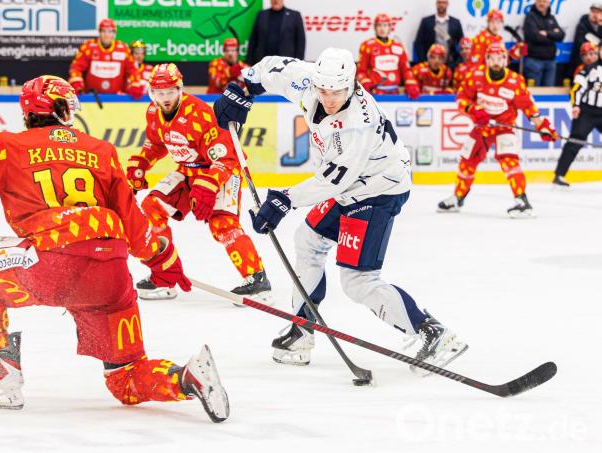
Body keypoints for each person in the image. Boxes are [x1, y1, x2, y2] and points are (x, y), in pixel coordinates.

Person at [0, 75, 229, 422]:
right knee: (125, 378)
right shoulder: (101, 151)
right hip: (110, 272)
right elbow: (135, 225)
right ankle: (188, 378)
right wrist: (161, 259)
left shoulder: (11, 146)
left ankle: (4, 371)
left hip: (51, 264)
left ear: (28, 112)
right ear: (61, 110)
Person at [213, 48, 468, 371]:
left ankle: (434, 334)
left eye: (337, 92)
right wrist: (242, 89)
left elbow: (334, 180)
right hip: (347, 186)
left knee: (358, 281)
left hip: (378, 189)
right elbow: (270, 67)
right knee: (307, 240)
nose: (329, 99)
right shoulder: (308, 82)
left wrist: (283, 200)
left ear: (351, 84)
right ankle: (303, 328)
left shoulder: (358, 124)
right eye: (323, 91)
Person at [126, 63, 270, 301]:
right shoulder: (153, 112)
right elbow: (156, 143)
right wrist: (141, 163)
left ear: (180, 89)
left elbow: (226, 156)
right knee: (153, 207)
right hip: (189, 170)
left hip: (223, 170)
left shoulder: (200, 113)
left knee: (222, 223)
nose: (165, 98)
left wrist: (210, 184)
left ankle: (257, 278)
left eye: (170, 91)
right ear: (152, 93)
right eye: (159, 93)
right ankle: (164, 273)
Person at [437, 43, 558, 217]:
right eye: (491, 58)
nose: (495, 62)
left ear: (505, 60)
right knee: (467, 160)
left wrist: (543, 126)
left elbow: (529, 107)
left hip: (504, 128)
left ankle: (522, 201)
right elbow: (461, 99)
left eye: (500, 58)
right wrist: (473, 109)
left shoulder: (515, 81)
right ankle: (458, 197)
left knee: (509, 161)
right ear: (486, 60)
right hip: (482, 127)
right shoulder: (475, 77)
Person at [555, 49, 602, 188]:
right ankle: (559, 175)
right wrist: (575, 105)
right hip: (586, 111)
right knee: (575, 142)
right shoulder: (588, 69)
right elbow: (575, 89)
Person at [68, 19, 144, 98]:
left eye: (110, 32)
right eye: (104, 31)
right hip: (92, 98)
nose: (107, 35)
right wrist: (76, 81)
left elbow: (133, 70)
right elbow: (76, 67)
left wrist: (135, 84)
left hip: (117, 98)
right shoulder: (88, 46)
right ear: (99, 32)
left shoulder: (123, 49)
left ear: (114, 33)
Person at [356, 13, 421, 99]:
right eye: (379, 25)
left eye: (385, 25)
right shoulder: (367, 45)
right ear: (375, 28)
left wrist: (411, 83)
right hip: (375, 93)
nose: (382, 28)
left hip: (396, 92)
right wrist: (365, 83)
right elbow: (361, 71)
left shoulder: (398, 46)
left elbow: (406, 69)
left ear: (390, 27)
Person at [246, 0, 305, 66]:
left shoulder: (295, 16)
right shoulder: (261, 15)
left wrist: (299, 63)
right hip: (263, 62)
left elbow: (300, 41)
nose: (275, 0)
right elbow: (253, 40)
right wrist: (249, 62)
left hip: (286, 63)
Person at [523, 0, 565, 87]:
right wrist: (553, 35)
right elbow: (535, 37)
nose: (541, 4)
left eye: (544, 1)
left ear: (549, 3)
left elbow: (561, 35)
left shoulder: (551, 18)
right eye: (539, 1)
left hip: (550, 61)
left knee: (549, 95)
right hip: (534, 61)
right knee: (534, 94)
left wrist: (547, 33)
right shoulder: (530, 17)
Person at [412, 0, 464, 68]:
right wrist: (424, 62)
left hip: (450, 64)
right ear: (436, 4)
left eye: (444, 2)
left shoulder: (456, 23)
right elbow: (418, 43)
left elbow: (462, 44)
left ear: (447, 4)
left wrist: (457, 62)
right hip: (430, 65)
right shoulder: (426, 21)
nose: (441, 5)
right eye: (439, 2)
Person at [568, 3, 602, 77]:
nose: (595, 15)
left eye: (598, 12)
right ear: (589, 12)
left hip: (598, 64)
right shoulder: (582, 24)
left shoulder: (600, 26)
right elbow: (580, 43)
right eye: (593, 12)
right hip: (583, 63)